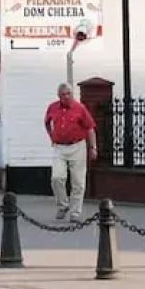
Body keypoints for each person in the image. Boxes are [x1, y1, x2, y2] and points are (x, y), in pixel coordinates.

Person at [44, 82, 97, 222]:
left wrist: (93, 147)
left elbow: (90, 128)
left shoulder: (80, 108)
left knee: (78, 181)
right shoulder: (52, 107)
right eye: (63, 95)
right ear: (59, 96)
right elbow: (47, 123)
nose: (66, 97)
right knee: (57, 178)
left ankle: (75, 213)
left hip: (77, 146)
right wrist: (52, 137)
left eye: (69, 94)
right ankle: (63, 205)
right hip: (59, 147)